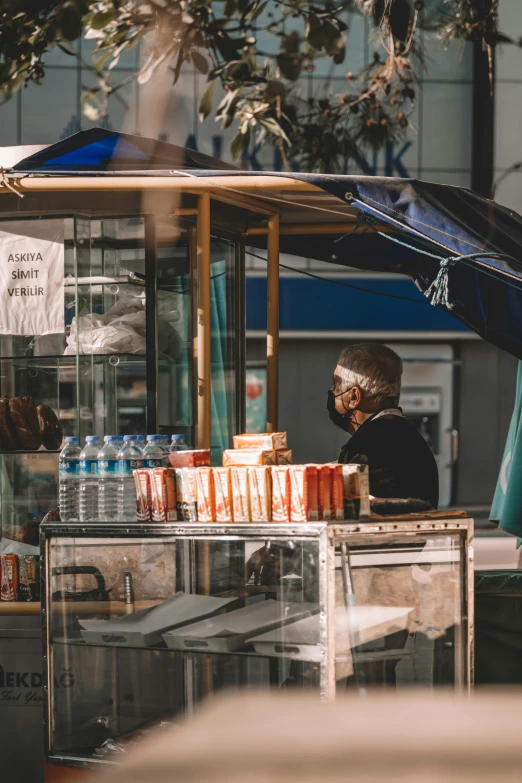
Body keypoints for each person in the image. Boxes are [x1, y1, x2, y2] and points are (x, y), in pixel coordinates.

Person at [327, 343, 439, 508]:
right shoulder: (411, 437)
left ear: (354, 397)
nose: (332, 392)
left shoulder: (365, 446)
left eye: (336, 386)